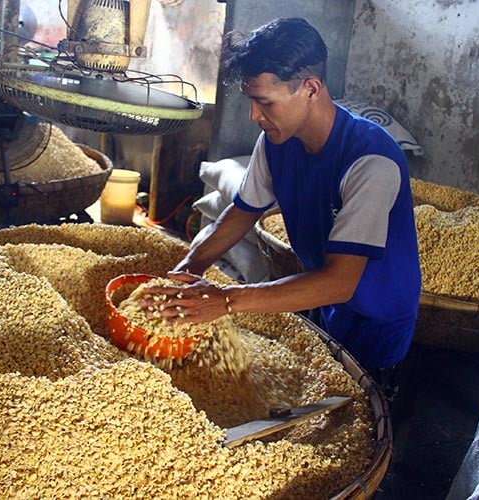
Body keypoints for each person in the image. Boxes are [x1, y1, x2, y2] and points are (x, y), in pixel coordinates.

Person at [142, 17, 421, 401]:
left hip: (377, 318)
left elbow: (340, 282)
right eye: (251, 101)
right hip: (325, 304)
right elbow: (242, 213)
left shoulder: (371, 160)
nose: (255, 116)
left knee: (360, 412)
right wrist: (189, 267)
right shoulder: (277, 141)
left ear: (310, 88)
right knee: (309, 393)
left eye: (264, 102)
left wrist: (225, 301)